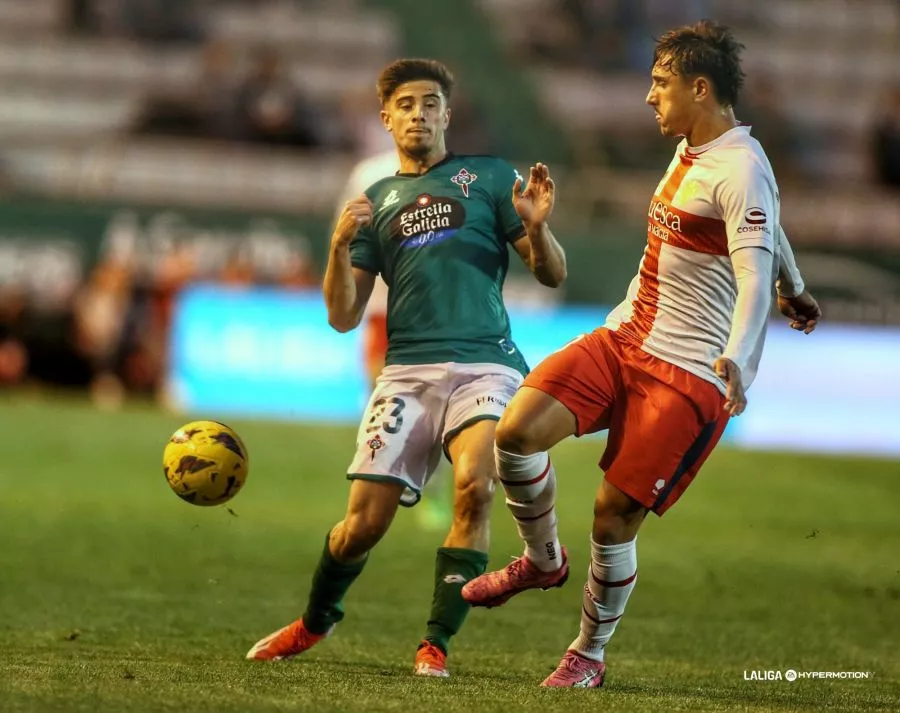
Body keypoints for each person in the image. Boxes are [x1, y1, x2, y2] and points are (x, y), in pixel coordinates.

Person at [461, 20, 822, 688]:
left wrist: (743, 358)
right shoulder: (696, 149)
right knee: (514, 434)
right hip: (624, 338)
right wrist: (795, 285)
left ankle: (587, 655)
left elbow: (751, 273)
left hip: (688, 375)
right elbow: (769, 230)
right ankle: (542, 560)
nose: (650, 98)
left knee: (611, 516)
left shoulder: (739, 167)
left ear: (700, 86)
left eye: (661, 84)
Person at [246, 58, 567, 677]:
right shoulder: (376, 199)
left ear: (447, 113)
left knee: (476, 486)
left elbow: (550, 271)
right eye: (406, 105)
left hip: (487, 367)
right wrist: (338, 249)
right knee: (361, 526)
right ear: (386, 117)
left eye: (430, 103)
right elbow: (343, 315)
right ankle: (316, 621)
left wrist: (539, 230)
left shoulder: (492, 177)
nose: (418, 114)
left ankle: (435, 643)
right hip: (406, 376)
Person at [335, 148, 454, 531]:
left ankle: (430, 485)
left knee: (436, 404)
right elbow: (348, 233)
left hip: (435, 307)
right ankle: (381, 481)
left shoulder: (456, 172)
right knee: (382, 398)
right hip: (383, 308)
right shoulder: (370, 173)